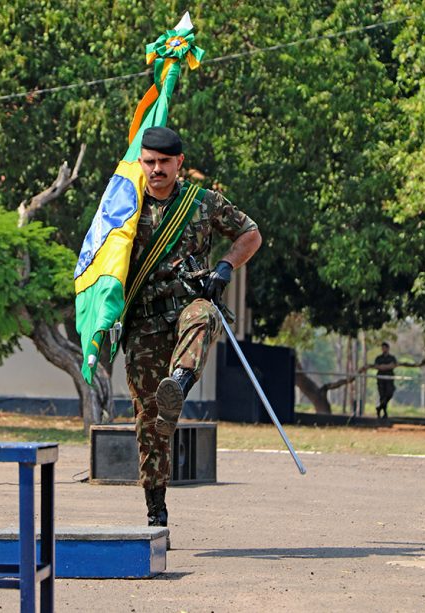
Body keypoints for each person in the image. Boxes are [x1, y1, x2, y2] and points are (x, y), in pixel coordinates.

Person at [124, 127, 262, 534]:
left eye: (164, 162)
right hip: (143, 323)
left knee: (203, 315)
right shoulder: (123, 206)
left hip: (188, 306)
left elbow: (250, 233)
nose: (156, 169)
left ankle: (179, 384)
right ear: (141, 162)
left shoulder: (202, 203)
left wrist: (224, 268)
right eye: (149, 162)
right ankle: (156, 510)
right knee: (150, 421)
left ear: (179, 163)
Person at [370, 342, 398, 419]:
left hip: (389, 379)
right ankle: (384, 413)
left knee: (389, 393)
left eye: (385, 348)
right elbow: (377, 366)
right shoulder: (378, 358)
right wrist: (386, 366)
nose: (383, 349)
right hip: (381, 379)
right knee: (382, 396)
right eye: (382, 348)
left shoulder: (392, 358)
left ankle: (380, 407)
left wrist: (383, 366)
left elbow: (393, 365)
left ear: (388, 348)